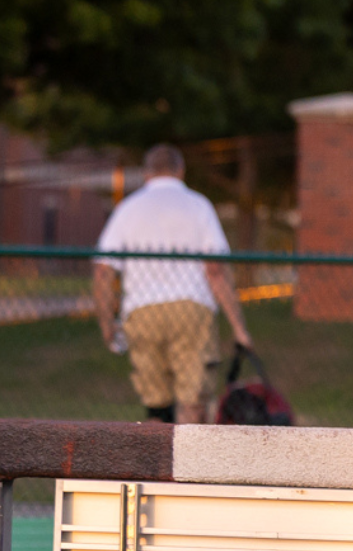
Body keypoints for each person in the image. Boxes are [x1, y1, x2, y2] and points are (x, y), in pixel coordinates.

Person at [92, 144, 254, 423]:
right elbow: (214, 270)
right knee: (193, 399)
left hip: (142, 311)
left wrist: (108, 324)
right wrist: (239, 328)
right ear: (181, 170)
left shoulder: (128, 209)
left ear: (146, 174)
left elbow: (103, 272)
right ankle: (190, 463)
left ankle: (158, 462)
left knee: (156, 403)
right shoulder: (198, 205)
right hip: (191, 308)